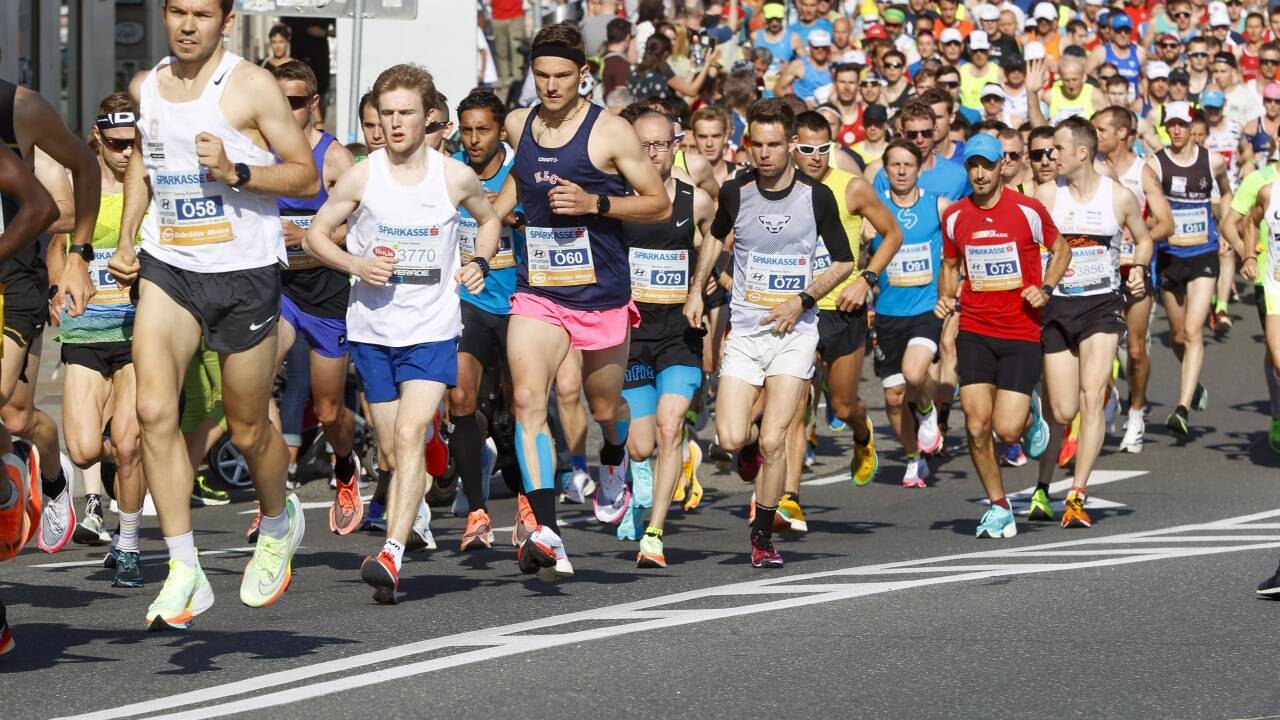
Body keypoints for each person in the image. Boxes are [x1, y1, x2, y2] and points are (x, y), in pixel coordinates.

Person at [109, 0, 321, 629]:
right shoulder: (145, 86)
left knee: (250, 427)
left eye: (202, 13)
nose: (187, 24)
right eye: (176, 10)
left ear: (226, 22)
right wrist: (126, 238)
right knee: (152, 410)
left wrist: (237, 171)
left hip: (243, 275)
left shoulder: (250, 85)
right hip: (169, 266)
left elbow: (306, 177)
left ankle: (278, 526)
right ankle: (183, 567)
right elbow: (145, 163)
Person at [305, 64, 499, 603]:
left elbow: (488, 220)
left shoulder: (453, 176)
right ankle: (429, 462)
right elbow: (316, 236)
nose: (394, 124)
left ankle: (391, 552)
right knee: (392, 448)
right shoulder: (364, 176)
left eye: (405, 113)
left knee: (409, 435)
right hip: (372, 329)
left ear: (429, 116)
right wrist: (355, 264)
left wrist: (479, 260)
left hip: (433, 327)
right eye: (386, 113)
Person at [493, 23, 671, 581]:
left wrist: (596, 202)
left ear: (583, 76)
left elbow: (658, 204)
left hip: (600, 294)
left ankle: (614, 451)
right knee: (528, 399)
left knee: (601, 408)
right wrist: (490, 228)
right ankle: (546, 529)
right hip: (539, 289)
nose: (549, 86)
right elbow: (518, 188)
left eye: (561, 77)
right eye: (541, 76)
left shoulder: (611, 132)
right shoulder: (519, 123)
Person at [711, 98, 854, 568]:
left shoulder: (817, 196)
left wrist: (803, 300)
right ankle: (748, 448)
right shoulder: (736, 192)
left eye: (775, 144)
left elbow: (844, 261)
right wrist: (697, 291)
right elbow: (715, 238)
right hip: (747, 333)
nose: (765, 154)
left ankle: (761, 534)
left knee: (775, 440)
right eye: (758, 144)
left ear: (792, 145)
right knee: (733, 438)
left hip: (795, 333)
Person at [935, 133, 1068, 540]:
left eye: (986, 165)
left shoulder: (1027, 210)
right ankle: (997, 505)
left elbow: (1060, 249)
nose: (979, 173)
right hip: (975, 328)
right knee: (977, 426)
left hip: (1021, 329)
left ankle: (1029, 409)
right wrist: (945, 298)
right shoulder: (956, 216)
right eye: (973, 165)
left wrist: (1044, 288)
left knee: (1007, 431)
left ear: (1000, 168)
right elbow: (951, 264)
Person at [1031, 117, 1152, 529]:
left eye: (1057, 150)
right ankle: (1045, 477)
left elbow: (1145, 236)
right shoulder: (1046, 195)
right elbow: (1028, 245)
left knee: (1090, 397)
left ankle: (1077, 494)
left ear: (1081, 153)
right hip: (1057, 307)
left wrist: (1138, 265)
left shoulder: (1117, 197)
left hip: (1101, 306)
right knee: (1061, 410)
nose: (1050, 157)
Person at [54, 94, 147, 586]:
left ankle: (128, 542)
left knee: (129, 446)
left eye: (134, 143)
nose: (127, 153)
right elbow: (56, 245)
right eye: (117, 143)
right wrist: (55, 287)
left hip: (137, 334)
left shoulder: (149, 188)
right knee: (87, 449)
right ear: (97, 136)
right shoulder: (78, 185)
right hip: (85, 332)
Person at [264, 61, 361, 534]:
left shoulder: (334, 157)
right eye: (279, 102)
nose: (288, 111)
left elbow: (361, 226)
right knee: (258, 378)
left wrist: (309, 235)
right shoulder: (260, 154)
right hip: (277, 290)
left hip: (325, 293)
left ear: (314, 103)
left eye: (297, 102)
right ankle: (274, 497)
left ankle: (345, 464)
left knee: (327, 411)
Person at [622, 109, 717, 568]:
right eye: (643, 146)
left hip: (678, 333)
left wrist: (700, 284)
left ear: (675, 146)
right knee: (640, 444)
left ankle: (654, 534)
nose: (653, 154)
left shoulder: (694, 199)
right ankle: (676, 460)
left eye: (661, 145)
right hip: (631, 337)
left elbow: (716, 233)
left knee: (669, 424)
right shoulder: (617, 198)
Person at [448, 90, 522, 550]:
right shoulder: (450, 171)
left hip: (518, 303)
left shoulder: (522, 171)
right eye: (468, 130)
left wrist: (511, 214)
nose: (474, 140)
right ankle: (476, 511)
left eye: (484, 130)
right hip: (466, 299)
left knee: (517, 410)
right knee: (460, 397)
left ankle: (528, 502)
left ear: (500, 132)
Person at [0, 140, 60, 656]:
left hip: (9, 288)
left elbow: (46, 207)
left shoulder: (22, 109)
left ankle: (16, 482)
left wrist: (76, 256)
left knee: (8, 408)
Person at [1147, 101, 1234, 439]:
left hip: (1204, 254)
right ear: (1166, 127)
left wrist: (1225, 226)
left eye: (1183, 124)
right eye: (1172, 125)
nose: (1178, 130)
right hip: (1170, 257)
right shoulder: (1156, 163)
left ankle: (1181, 408)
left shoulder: (1211, 161)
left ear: (1192, 124)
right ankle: (1192, 380)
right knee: (1178, 336)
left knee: (1195, 331)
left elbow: (1226, 192)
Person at [1092, 106, 1175, 454]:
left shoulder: (1143, 171)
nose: (1095, 136)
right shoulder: (1091, 167)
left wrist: (1138, 235)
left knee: (1136, 348)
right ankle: (1106, 396)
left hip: (1137, 269)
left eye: (1101, 130)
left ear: (1122, 133)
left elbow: (1166, 222)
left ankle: (1137, 412)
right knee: (1100, 346)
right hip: (1100, 270)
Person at [870, 139, 949, 488]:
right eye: (895, 165)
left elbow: (955, 256)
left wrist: (951, 294)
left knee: (915, 373)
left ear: (919, 169)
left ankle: (929, 411)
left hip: (926, 307)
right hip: (888, 312)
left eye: (908, 165)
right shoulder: (874, 211)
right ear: (885, 171)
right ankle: (914, 457)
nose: (901, 171)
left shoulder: (939, 206)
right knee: (892, 397)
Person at [775, 29, 835, 105]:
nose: (820, 50)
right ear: (810, 45)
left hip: (828, 112)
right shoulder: (798, 65)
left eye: (824, 47)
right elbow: (778, 88)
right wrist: (796, 106)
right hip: (804, 113)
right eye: (816, 47)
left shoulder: (835, 66)